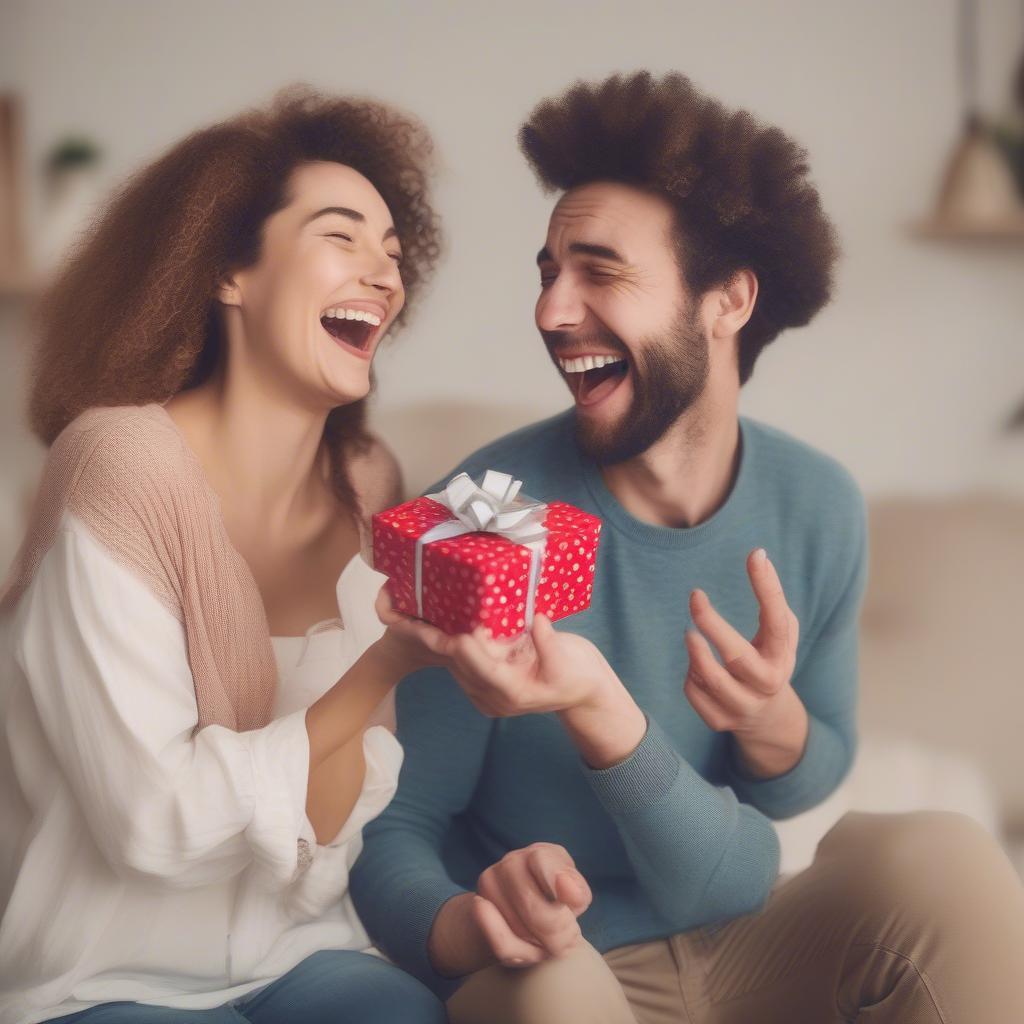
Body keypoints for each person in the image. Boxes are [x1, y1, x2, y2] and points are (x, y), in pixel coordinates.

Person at [350, 71, 1024, 1023]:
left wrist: (768, 722)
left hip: (752, 943)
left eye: (601, 270)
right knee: (551, 997)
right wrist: (469, 921)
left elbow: (808, 775)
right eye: (548, 270)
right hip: (564, 962)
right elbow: (397, 829)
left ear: (728, 300)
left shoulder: (817, 503)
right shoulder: (478, 517)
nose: (550, 310)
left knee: (947, 858)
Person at [0, 87, 450, 1024]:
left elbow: (330, 825)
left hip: (296, 952)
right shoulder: (117, 463)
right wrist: (381, 666)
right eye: (341, 237)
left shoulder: (371, 483)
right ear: (227, 273)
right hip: (100, 975)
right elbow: (150, 824)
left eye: (394, 255)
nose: (383, 275)